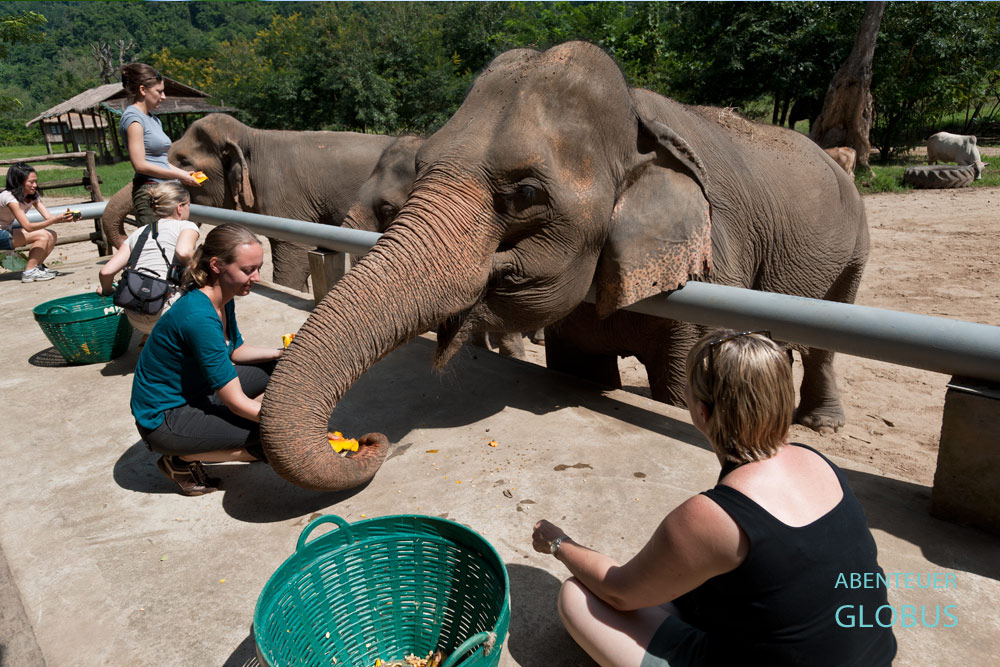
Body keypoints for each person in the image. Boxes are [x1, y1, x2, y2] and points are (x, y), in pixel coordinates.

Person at [532, 330, 897, 666]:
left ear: (702, 413)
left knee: (578, 596)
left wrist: (559, 543)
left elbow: (619, 594)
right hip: (873, 656)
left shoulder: (712, 515)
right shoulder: (818, 462)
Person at [130, 223, 282, 496]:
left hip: (197, 392)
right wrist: (290, 423)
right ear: (216, 265)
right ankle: (180, 458)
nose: (257, 277)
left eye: (258, 267)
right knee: (273, 439)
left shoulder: (224, 296)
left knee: (281, 368)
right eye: (248, 270)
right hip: (164, 418)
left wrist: (279, 355)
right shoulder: (199, 317)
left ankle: (212, 436)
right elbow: (236, 404)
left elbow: (235, 350)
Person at [96, 181, 200, 343]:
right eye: (188, 205)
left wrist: (107, 290)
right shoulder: (186, 226)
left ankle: (152, 339)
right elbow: (184, 252)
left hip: (134, 315)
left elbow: (106, 271)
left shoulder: (139, 232)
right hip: (166, 311)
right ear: (180, 207)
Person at [118, 62, 199, 233]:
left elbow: (159, 160)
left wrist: (183, 174)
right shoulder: (133, 119)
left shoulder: (153, 119)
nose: (163, 97)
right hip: (151, 193)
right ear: (142, 90)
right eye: (159, 91)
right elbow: (140, 165)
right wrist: (180, 174)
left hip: (167, 191)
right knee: (157, 246)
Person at [1, 162, 74, 282]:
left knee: (52, 234)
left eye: (36, 181)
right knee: (43, 235)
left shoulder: (32, 195)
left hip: (5, 231)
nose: (35, 185)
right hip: (1, 233)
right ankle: (29, 272)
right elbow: (28, 227)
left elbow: (48, 216)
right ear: (19, 182)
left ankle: (37, 268)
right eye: (31, 182)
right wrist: (55, 219)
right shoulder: (9, 197)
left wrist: (66, 217)